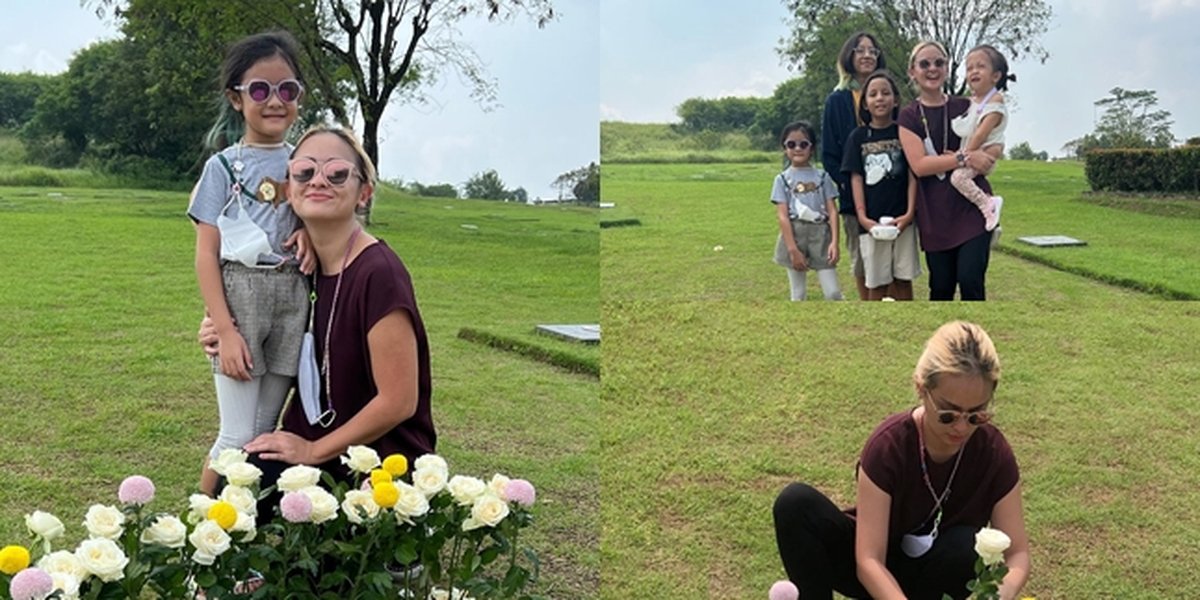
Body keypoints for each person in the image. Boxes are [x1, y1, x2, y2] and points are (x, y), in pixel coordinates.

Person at [202, 125, 436, 514]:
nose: (319, 181)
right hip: (313, 442)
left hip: (373, 462)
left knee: (247, 478)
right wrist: (220, 326)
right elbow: (261, 311)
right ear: (289, 192)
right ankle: (210, 544)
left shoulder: (378, 273)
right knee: (238, 468)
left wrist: (313, 450)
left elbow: (399, 401)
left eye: (337, 173)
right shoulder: (300, 268)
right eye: (305, 173)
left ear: (364, 193)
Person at [773, 321, 1030, 600]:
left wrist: (995, 596)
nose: (961, 427)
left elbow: (1018, 554)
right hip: (876, 567)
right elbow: (869, 561)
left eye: (977, 415)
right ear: (921, 389)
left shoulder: (992, 450)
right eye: (948, 414)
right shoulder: (889, 446)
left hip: (939, 573)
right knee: (795, 504)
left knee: (966, 544)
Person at [187, 31, 313, 496]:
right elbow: (206, 253)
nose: (274, 101)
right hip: (242, 296)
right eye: (259, 90)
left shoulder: (306, 161)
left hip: (293, 299)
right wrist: (225, 329)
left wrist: (307, 233)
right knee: (236, 436)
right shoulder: (221, 167)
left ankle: (239, 538)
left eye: (287, 90)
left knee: (263, 432)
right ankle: (201, 533)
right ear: (236, 99)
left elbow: (324, 218)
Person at [897, 41, 1000, 301]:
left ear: (947, 68)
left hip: (971, 210)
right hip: (935, 214)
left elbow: (993, 135)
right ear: (912, 71)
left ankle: (975, 339)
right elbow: (920, 166)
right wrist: (964, 157)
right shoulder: (909, 116)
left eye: (939, 63)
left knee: (971, 281)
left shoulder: (966, 106)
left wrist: (989, 157)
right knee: (941, 288)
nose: (932, 69)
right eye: (924, 64)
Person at [841, 70, 919, 301]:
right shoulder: (858, 137)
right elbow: (855, 177)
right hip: (871, 224)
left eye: (886, 93)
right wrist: (863, 217)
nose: (880, 98)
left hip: (903, 221)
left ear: (895, 99)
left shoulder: (904, 133)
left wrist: (909, 214)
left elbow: (914, 175)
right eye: (873, 94)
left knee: (903, 281)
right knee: (875, 283)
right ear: (865, 103)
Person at [822, 32, 888, 301]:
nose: (867, 55)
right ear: (849, 56)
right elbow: (829, 153)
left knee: (890, 259)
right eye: (860, 50)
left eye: (872, 51)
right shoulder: (837, 100)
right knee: (861, 258)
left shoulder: (889, 96)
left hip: (888, 190)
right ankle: (867, 304)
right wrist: (848, 186)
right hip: (854, 193)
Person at [771, 120, 842, 301]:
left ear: (812, 147)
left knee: (832, 292)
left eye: (803, 144)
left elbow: (832, 211)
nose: (797, 148)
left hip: (820, 233)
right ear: (784, 148)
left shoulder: (822, 177)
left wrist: (834, 242)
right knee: (798, 294)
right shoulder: (782, 179)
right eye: (791, 144)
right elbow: (783, 216)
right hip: (794, 233)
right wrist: (793, 249)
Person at [950, 44, 1015, 232]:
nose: (974, 72)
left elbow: (981, 134)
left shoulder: (995, 102)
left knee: (958, 178)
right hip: (973, 151)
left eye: (980, 66)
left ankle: (987, 204)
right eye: (969, 68)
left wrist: (962, 155)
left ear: (996, 76)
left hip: (983, 152)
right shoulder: (974, 101)